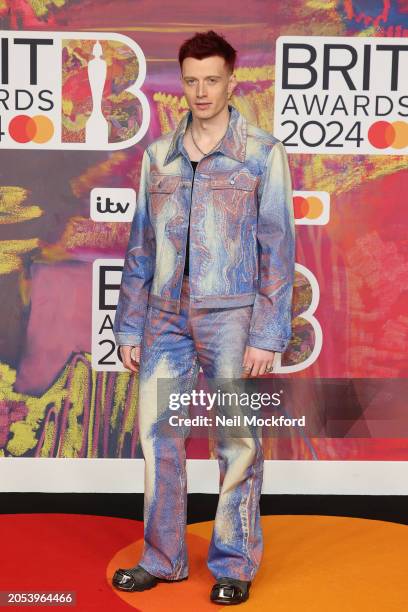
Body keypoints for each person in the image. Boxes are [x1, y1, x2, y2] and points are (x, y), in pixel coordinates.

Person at [111, 30, 295, 605]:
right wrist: (128, 324)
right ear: (181, 83)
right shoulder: (158, 157)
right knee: (158, 437)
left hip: (233, 317)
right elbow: (140, 246)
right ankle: (162, 559)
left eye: (211, 79)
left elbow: (278, 248)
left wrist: (267, 333)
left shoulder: (262, 154)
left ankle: (234, 563)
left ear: (231, 80)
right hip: (163, 317)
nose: (200, 91)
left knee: (237, 441)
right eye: (190, 80)